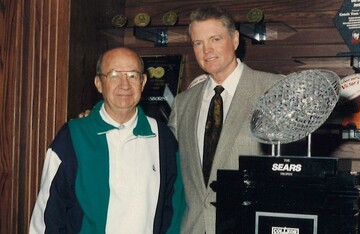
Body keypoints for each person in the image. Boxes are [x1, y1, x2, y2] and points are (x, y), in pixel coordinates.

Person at [29, 47, 184, 234]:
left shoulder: (162, 138)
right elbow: (48, 215)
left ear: (143, 82)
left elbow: (175, 210)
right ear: (99, 83)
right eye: (114, 75)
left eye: (132, 75)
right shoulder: (72, 137)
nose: (125, 84)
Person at [168, 6, 285, 234]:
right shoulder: (183, 103)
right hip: (195, 228)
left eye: (215, 39)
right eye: (198, 43)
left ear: (235, 39)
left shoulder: (272, 89)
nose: (207, 50)